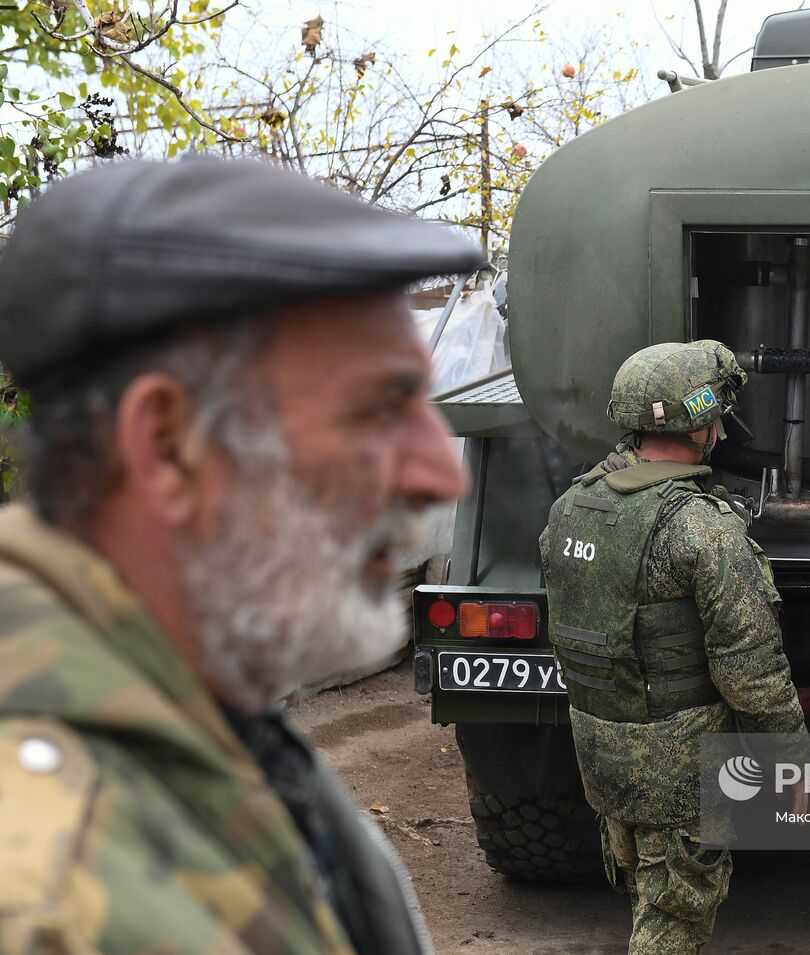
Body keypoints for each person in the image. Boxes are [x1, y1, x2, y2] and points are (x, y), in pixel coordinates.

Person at [0, 157, 484, 953]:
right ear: (167, 444)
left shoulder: (206, 712)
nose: (439, 473)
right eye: (380, 409)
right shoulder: (45, 896)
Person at [539, 340, 809, 954]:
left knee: (645, 894)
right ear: (706, 424)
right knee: (675, 919)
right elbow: (751, 670)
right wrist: (789, 757)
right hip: (679, 766)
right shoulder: (701, 527)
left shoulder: (571, 507)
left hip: (603, 749)